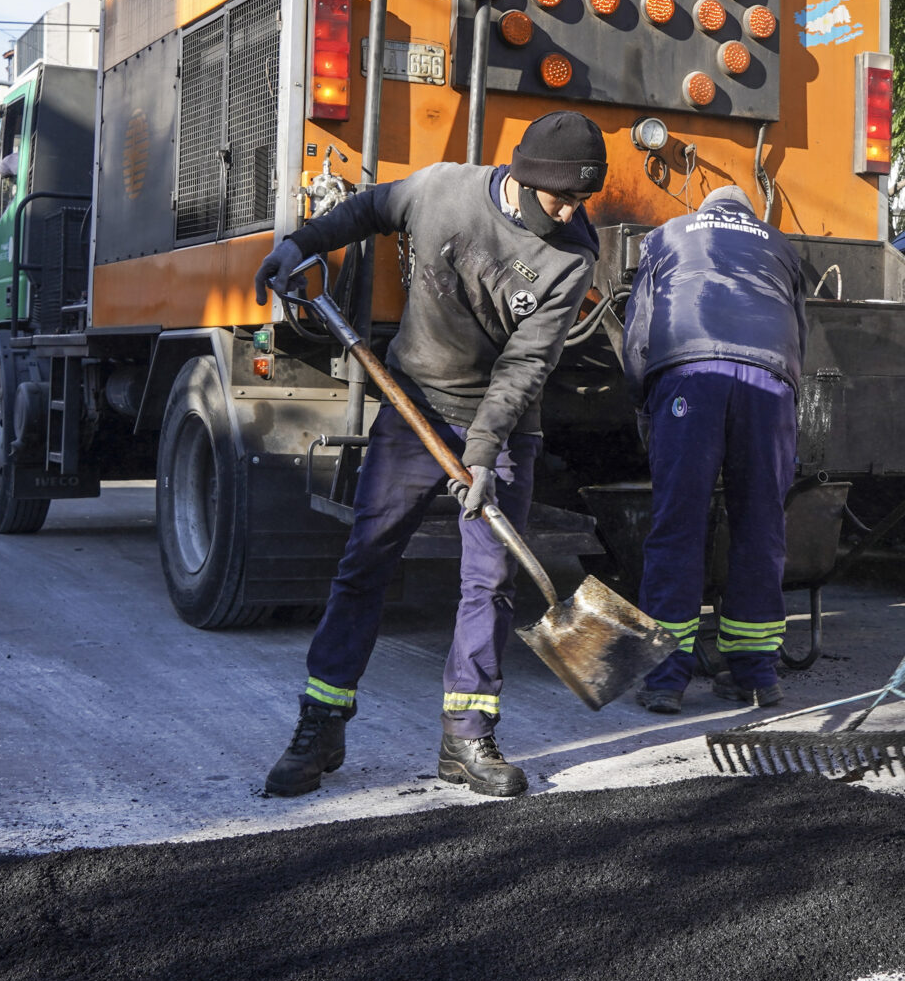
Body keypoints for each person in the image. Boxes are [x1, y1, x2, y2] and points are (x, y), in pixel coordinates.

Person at [252, 110, 610, 799]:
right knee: (366, 560)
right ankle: (320, 724)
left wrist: (482, 453)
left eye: (580, 200)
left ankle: (466, 740)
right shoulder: (444, 189)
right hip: (413, 408)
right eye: (560, 196)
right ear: (526, 177)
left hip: (501, 429)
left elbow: (526, 366)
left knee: (489, 581)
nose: (569, 210)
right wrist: (300, 244)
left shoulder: (573, 257)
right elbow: (367, 208)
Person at [618, 186, 809, 713]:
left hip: (689, 376)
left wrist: (644, 401)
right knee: (760, 525)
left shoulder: (665, 237)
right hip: (769, 384)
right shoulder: (781, 246)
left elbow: (639, 333)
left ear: (705, 215)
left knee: (678, 524)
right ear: (748, 216)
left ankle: (664, 679)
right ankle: (754, 675)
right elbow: (800, 337)